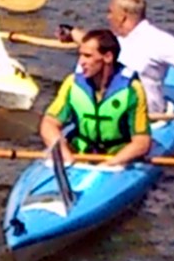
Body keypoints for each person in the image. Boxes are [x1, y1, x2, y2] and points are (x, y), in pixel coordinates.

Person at [59, 0, 174, 122]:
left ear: (122, 17)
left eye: (111, 12)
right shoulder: (117, 38)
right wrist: (71, 32)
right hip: (110, 117)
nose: (108, 17)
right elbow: (93, 44)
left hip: (147, 119)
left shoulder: (156, 40)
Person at [40, 29, 151, 166]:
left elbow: (141, 141)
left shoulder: (132, 89)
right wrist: (65, 155)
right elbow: (49, 123)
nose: (81, 62)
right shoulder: (72, 83)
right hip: (79, 155)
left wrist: (110, 164)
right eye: (80, 55)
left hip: (116, 158)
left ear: (108, 57)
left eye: (87, 56)